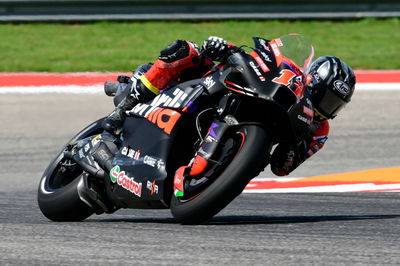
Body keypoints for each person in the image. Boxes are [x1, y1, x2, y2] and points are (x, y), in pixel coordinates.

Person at [102, 36, 356, 176]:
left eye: (334, 104)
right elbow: (261, 59)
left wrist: (295, 145)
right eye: (325, 97)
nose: (326, 107)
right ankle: (123, 109)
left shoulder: (319, 131)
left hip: (249, 139)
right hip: (217, 86)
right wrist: (224, 48)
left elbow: (282, 168)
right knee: (182, 50)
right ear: (312, 82)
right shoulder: (291, 76)